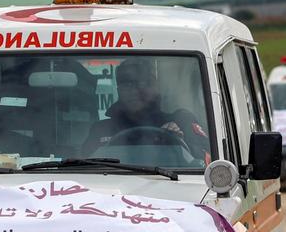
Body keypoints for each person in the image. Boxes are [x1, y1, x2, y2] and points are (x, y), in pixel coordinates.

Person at [82, 58, 211, 163]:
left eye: (141, 83)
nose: (134, 91)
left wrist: (180, 143)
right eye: (127, 84)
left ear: (154, 86)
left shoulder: (182, 121)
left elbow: (207, 163)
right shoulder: (100, 130)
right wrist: (104, 152)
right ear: (118, 89)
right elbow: (82, 168)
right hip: (112, 190)